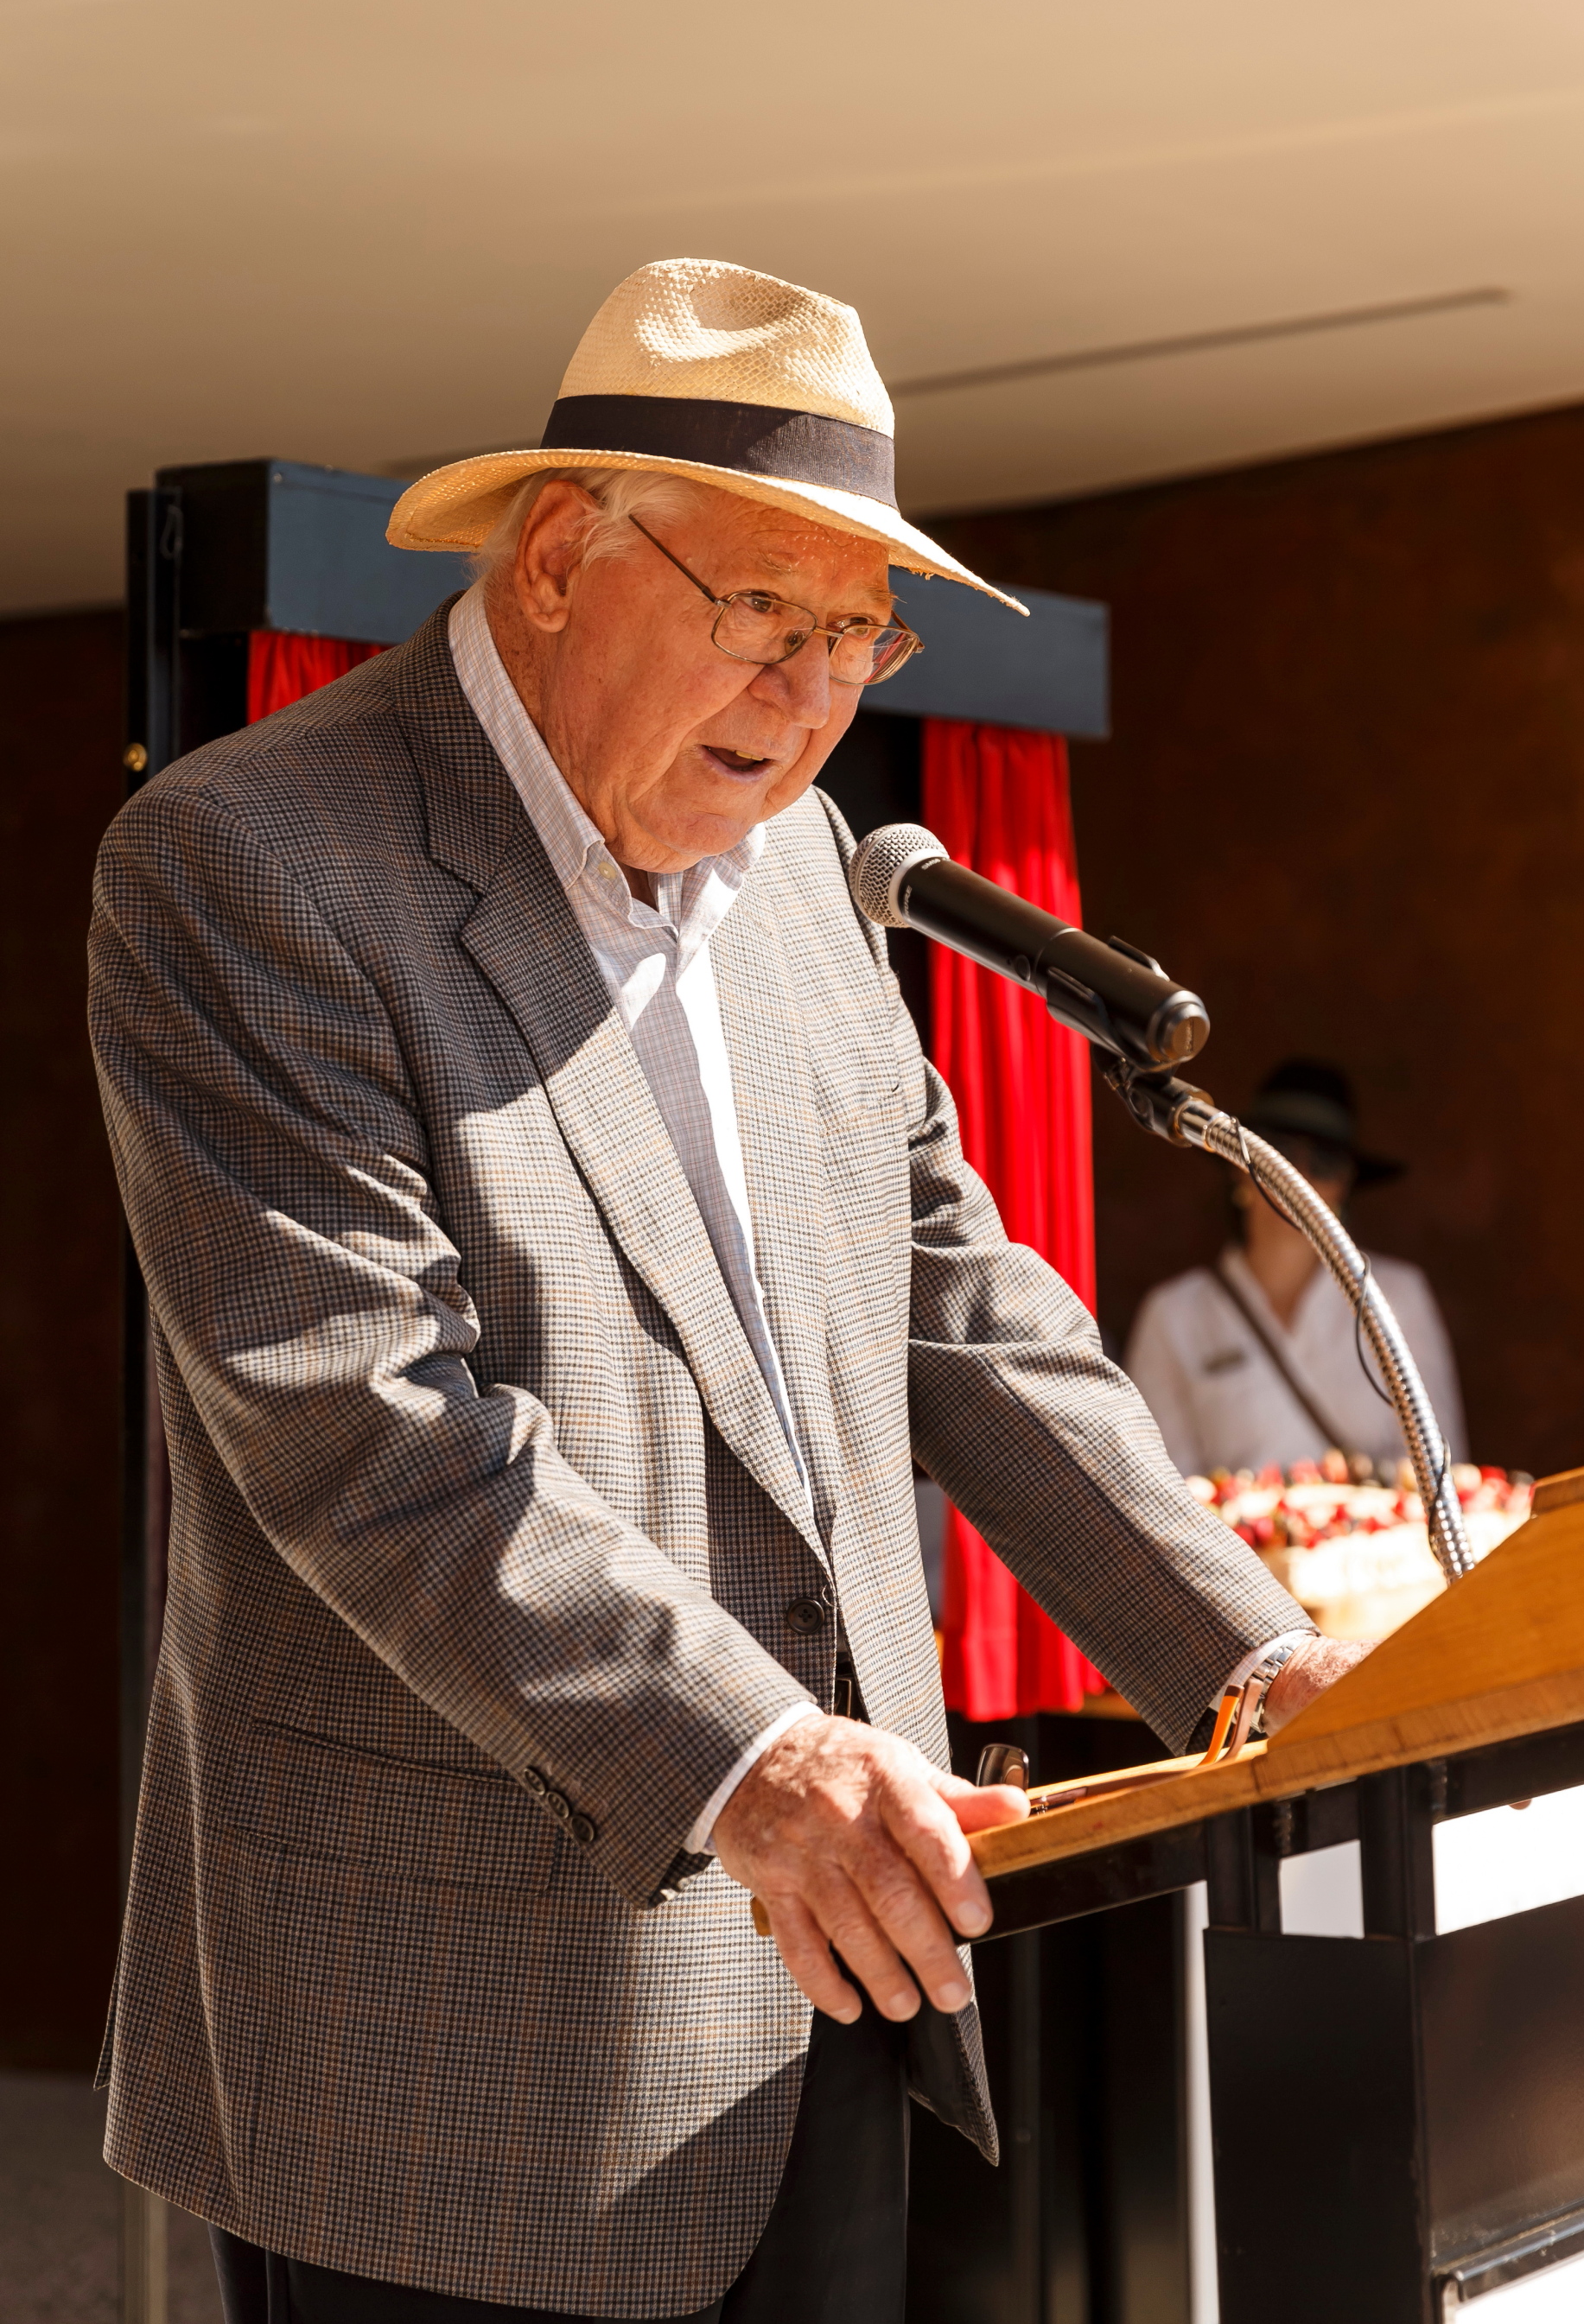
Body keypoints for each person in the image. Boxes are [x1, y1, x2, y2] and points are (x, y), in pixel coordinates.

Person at [89, 260, 1363, 2324]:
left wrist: (1251, 1668)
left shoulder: (798, 872)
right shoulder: (248, 858)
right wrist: (750, 1752)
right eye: (758, 612)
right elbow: (360, 1419)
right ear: (562, 555)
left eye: (855, 633)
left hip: (835, 1989)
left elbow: (953, 1298)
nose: (804, 694)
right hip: (440, 2073)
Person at [1125, 1059, 1467, 1480]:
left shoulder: (1398, 1296)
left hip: (1378, 1541)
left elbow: (1442, 1472)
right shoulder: (1173, 1315)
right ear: (1238, 1169)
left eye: (1324, 1162)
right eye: (1279, 1155)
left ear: (1344, 1185)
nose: (1298, 1179)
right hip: (1231, 1544)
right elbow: (1158, 1491)